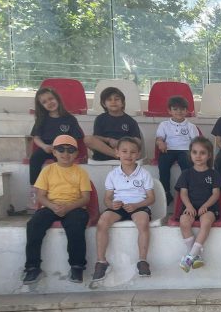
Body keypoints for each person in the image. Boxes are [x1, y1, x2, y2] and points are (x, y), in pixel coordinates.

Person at [22, 135, 91, 285]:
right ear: (54, 152)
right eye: (61, 149)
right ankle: (32, 267)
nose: (65, 154)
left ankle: (77, 266)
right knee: (33, 225)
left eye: (70, 150)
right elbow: (40, 196)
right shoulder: (47, 171)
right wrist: (53, 206)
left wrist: (68, 207)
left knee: (76, 226)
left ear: (76, 153)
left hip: (74, 207)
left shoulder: (81, 172)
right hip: (50, 205)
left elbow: (86, 198)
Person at [92, 136, 155, 286]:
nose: (128, 155)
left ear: (138, 154)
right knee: (102, 222)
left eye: (133, 152)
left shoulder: (144, 174)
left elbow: (151, 198)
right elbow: (107, 199)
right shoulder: (113, 175)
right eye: (124, 151)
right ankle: (101, 261)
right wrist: (112, 204)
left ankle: (142, 260)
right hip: (119, 206)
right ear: (117, 153)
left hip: (138, 205)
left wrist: (136, 205)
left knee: (143, 222)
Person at [176, 137, 221, 272]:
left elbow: (216, 194)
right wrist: (189, 206)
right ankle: (195, 255)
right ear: (190, 154)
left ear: (209, 155)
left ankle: (190, 256)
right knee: (184, 221)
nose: (198, 156)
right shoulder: (186, 174)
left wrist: (205, 206)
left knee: (206, 221)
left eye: (202, 153)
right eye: (194, 152)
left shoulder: (214, 174)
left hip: (208, 208)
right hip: (190, 207)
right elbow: (183, 193)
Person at [28, 86, 85, 191]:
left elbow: (76, 138)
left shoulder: (70, 119)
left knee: (62, 162)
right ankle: (35, 189)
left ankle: (62, 188)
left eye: (51, 99)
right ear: (41, 106)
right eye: (44, 102)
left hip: (64, 147)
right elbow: (36, 137)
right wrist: (44, 146)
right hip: (47, 147)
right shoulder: (41, 119)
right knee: (35, 158)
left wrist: (64, 147)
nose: (49, 103)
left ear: (57, 99)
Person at [155, 95, 200, 204]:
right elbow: (159, 138)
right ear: (169, 111)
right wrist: (160, 143)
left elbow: (196, 142)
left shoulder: (191, 126)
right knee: (163, 165)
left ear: (186, 111)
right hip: (169, 150)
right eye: (175, 109)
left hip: (185, 150)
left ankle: (187, 191)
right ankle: (166, 192)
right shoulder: (164, 125)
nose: (179, 111)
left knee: (187, 166)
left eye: (182, 109)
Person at [84, 86, 142, 161]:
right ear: (104, 104)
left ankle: (120, 154)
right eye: (109, 99)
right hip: (104, 153)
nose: (113, 102)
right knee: (87, 139)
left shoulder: (130, 121)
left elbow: (138, 141)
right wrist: (109, 140)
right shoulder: (100, 119)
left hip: (125, 153)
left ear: (122, 103)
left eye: (117, 99)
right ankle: (116, 155)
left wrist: (121, 143)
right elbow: (96, 137)